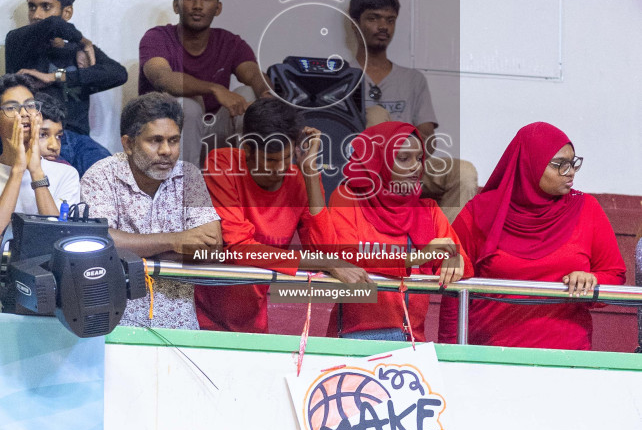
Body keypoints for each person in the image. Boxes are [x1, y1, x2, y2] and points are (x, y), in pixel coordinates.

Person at [439, 121, 626, 350]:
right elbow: (453, 291)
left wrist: (593, 281)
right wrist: (448, 354)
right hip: (489, 357)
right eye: (560, 165)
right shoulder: (479, 213)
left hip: (567, 359)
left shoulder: (588, 208)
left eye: (573, 163)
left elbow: (615, 276)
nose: (571, 172)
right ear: (529, 165)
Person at [195, 98, 363, 334]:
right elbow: (239, 248)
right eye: (271, 160)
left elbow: (325, 250)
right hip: (202, 318)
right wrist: (326, 263)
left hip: (254, 321)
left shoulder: (299, 177)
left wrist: (310, 172)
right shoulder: (222, 162)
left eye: (287, 158)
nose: (280, 168)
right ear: (248, 149)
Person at [80, 93, 222, 329]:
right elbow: (100, 242)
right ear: (128, 144)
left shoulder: (189, 176)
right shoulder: (101, 175)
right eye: (155, 140)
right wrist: (175, 241)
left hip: (180, 326)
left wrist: (134, 249)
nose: (166, 150)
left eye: (174, 140)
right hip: (116, 325)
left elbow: (211, 248)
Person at [324, 121, 472, 341]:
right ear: (378, 162)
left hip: (410, 346)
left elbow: (464, 266)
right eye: (404, 158)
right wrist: (413, 260)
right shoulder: (347, 198)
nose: (416, 166)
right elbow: (346, 257)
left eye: (419, 158)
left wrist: (456, 260)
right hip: (351, 342)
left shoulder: (428, 210)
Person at [348, 0, 478, 221]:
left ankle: (440, 251)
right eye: (374, 18)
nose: (383, 26)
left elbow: (427, 137)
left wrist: (411, 152)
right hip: (365, 170)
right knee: (376, 114)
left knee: (464, 172)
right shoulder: (342, 75)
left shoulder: (412, 79)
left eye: (390, 20)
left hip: (410, 166)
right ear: (354, 22)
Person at [138, 0, 272, 166]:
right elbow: (162, 77)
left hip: (212, 134)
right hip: (164, 138)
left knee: (248, 94)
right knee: (188, 106)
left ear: (218, 7)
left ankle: (242, 183)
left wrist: (267, 95)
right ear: (176, 4)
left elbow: (254, 75)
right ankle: (183, 189)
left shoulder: (229, 42)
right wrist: (214, 88)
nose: (198, 6)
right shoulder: (157, 37)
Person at [4, 0, 124, 174]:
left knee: (112, 177)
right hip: (35, 136)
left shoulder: (78, 51)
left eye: (46, 7)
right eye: (32, 7)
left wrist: (56, 77)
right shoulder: (18, 42)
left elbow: (118, 74)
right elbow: (52, 25)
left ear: (67, 12)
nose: (36, 15)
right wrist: (84, 41)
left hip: (78, 140)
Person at [0, 74, 80, 233]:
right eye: (11, 107)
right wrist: (17, 171)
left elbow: (60, 236)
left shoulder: (66, 174)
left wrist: (36, 172)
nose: (24, 113)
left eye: (30, 105)